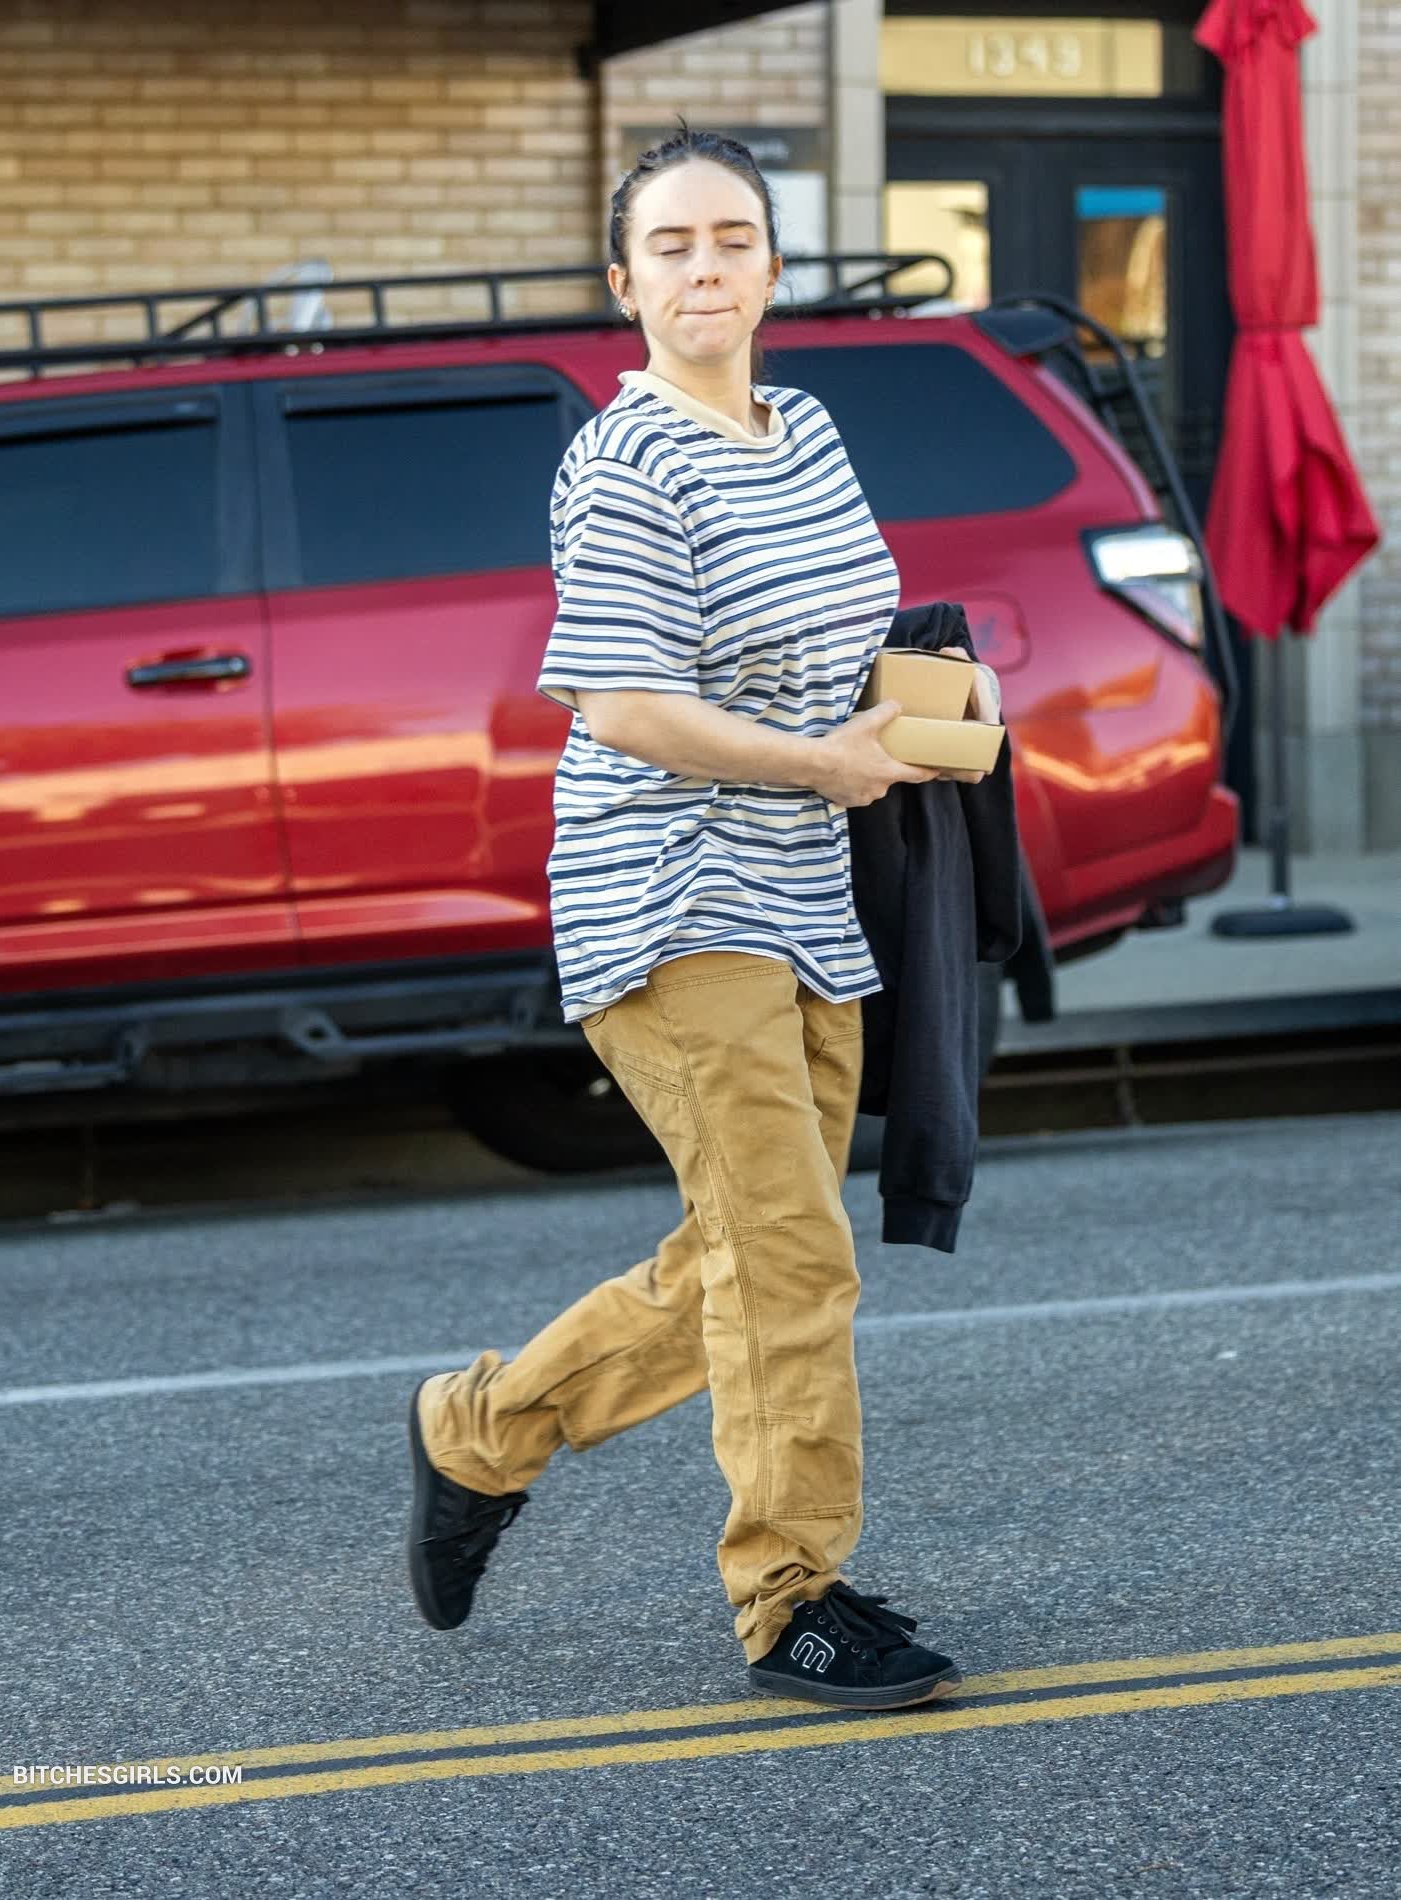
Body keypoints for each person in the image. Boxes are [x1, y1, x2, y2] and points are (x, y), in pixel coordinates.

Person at [406, 123, 995, 1712]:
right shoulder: (626, 462)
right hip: (668, 900)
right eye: (670, 245)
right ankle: (791, 1597)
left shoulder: (806, 430)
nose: (705, 266)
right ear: (626, 284)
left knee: (743, 1248)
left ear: (775, 269)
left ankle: (481, 1431)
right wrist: (821, 760)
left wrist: (938, 698)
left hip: (809, 892)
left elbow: (845, 631)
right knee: (790, 1256)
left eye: (732, 238)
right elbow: (621, 703)